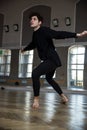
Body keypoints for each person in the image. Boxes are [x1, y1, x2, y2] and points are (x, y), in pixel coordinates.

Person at [21, 12, 87, 109]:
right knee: (49, 78)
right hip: (49, 60)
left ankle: (36, 99)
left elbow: (58, 34)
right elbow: (33, 44)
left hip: (52, 60)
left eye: (34, 19)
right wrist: (24, 49)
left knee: (35, 73)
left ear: (40, 22)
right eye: (31, 19)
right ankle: (63, 97)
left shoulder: (44, 30)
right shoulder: (35, 34)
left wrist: (77, 35)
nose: (31, 20)